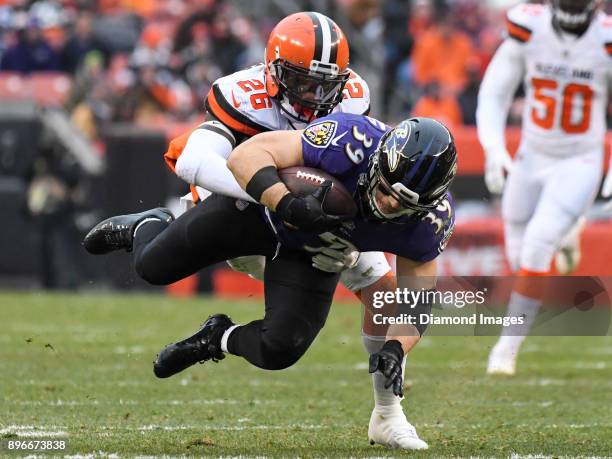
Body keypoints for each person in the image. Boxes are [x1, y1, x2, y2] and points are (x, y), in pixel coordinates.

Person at [84, 113, 457, 450]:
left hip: (311, 252)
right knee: (153, 268)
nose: (390, 205)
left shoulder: (429, 223)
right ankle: (148, 225)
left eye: (405, 204)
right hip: (258, 211)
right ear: (378, 163)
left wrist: (395, 348)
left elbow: (416, 300)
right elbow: (246, 156)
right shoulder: (351, 141)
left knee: (280, 349)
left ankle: (216, 337)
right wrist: (287, 202)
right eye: (387, 190)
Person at [476, 0, 612, 375]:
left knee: (537, 246)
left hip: (579, 159)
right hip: (531, 156)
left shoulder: (606, 40)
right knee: (520, 255)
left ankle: (506, 348)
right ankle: (568, 232)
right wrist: (493, 146)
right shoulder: (529, 28)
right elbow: (495, 90)